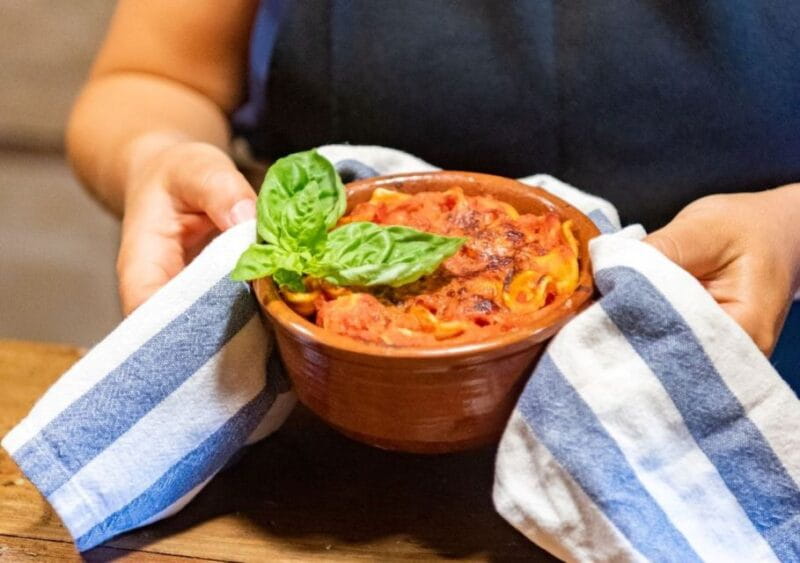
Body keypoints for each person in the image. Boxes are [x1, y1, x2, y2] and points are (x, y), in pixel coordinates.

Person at [67, 1, 800, 372]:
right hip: (313, 417)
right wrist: (154, 154)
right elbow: (150, 78)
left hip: (745, 390)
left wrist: (790, 230)